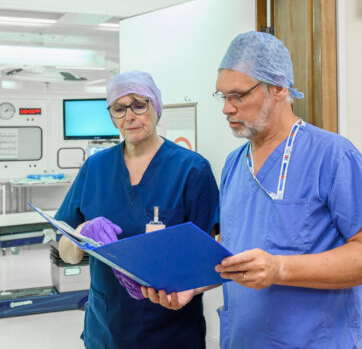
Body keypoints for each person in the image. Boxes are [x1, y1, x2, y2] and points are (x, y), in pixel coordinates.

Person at [143, 32, 362, 348]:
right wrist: (190, 286)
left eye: (238, 96)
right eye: (223, 96)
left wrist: (280, 268)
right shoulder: (235, 163)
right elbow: (232, 251)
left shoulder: (333, 156)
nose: (226, 109)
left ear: (278, 87)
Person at [56, 70, 219, 349]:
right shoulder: (94, 169)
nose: (129, 116)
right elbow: (65, 253)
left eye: (139, 105)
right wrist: (81, 235)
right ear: (111, 116)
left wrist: (178, 286)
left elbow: (213, 261)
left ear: (156, 107)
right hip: (106, 329)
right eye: (119, 108)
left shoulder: (192, 170)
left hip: (171, 332)